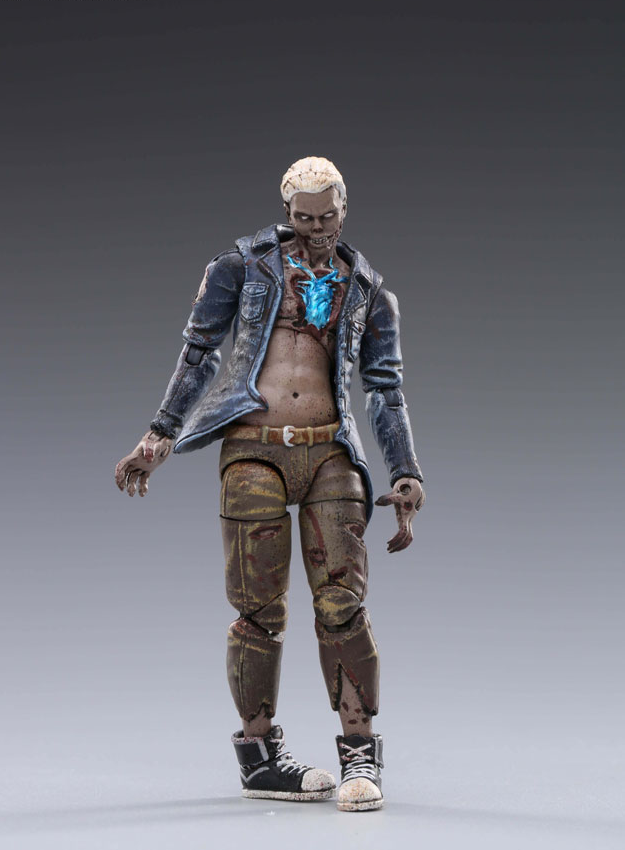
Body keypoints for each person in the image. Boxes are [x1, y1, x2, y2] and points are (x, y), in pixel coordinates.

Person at [115, 156, 425, 811]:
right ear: (287, 212)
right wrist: (160, 434)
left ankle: (359, 750)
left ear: (344, 209)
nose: (316, 229)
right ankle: (259, 758)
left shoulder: (368, 290)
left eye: (327, 216)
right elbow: (199, 352)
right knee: (256, 607)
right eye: (304, 218)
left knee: (343, 602)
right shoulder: (240, 267)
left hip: (331, 451)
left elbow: (385, 389)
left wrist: (404, 471)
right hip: (252, 447)